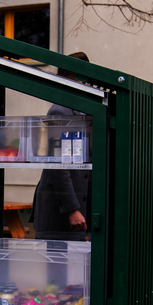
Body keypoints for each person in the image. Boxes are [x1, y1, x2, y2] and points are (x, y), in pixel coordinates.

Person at [29, 52, 91, 241]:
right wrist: (72, 209)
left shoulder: (84, 109)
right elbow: (58, 165)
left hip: (79, 205)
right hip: (60, 210)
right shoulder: (60, 111)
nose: (87, 83)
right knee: (58, 267)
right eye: (83, 79)